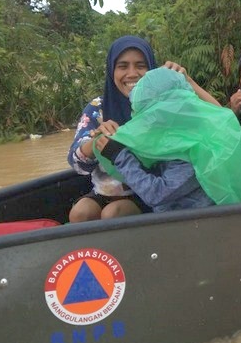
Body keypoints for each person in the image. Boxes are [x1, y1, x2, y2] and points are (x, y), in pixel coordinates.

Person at [67, 35, 218, 222]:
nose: (132, 73)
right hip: (103, 191)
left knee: (112, 214)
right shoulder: (98, 108)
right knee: (80, 213)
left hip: (147, 194)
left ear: (152, 70)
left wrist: (189, 82)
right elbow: (76, 164)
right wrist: (97, 141)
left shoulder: (162, 105)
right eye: (123, 66)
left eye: (141, 66)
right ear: (111, 70)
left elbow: (219, 121)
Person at [95, 68, 214, 213]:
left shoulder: (191, 149)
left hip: (192, 225)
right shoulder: (174, 138)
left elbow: (156, 194)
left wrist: (119, 155)